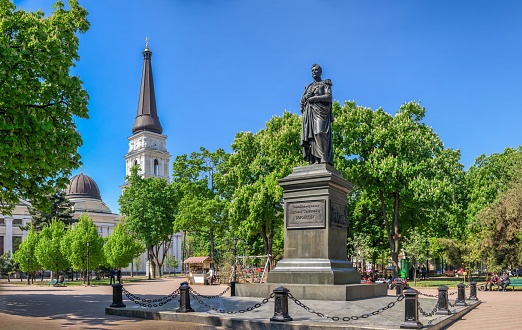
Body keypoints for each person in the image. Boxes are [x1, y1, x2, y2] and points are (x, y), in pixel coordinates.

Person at [300, 64, 334, 165]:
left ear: (320, 72)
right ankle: (315, 159)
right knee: (312, 136)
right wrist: (306, 96)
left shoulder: (325, 84)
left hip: (321, 112)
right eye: (312, 70)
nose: (314, 72)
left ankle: (323, 158)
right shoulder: (308, 87)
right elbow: (302, 103)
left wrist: (315, 99)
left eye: (316, 70)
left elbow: (329, 97)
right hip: (310, 113)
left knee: (320, 132)